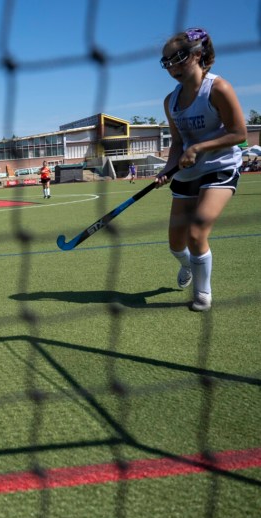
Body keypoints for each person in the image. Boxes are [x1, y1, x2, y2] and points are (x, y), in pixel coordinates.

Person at [154, 27, 246, 312]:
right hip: (187, 173)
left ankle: (202, 293)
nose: (172, 67)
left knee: (196, 234)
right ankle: (188, 267)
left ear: (197, 54)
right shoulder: (170, 102)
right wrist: (168, 170)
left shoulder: (218, 88)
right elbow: (178, 142)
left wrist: (198, 149)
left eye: (178, 58)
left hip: (220, 166)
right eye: (166, 61)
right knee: (175, 244)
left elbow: (239, 133)